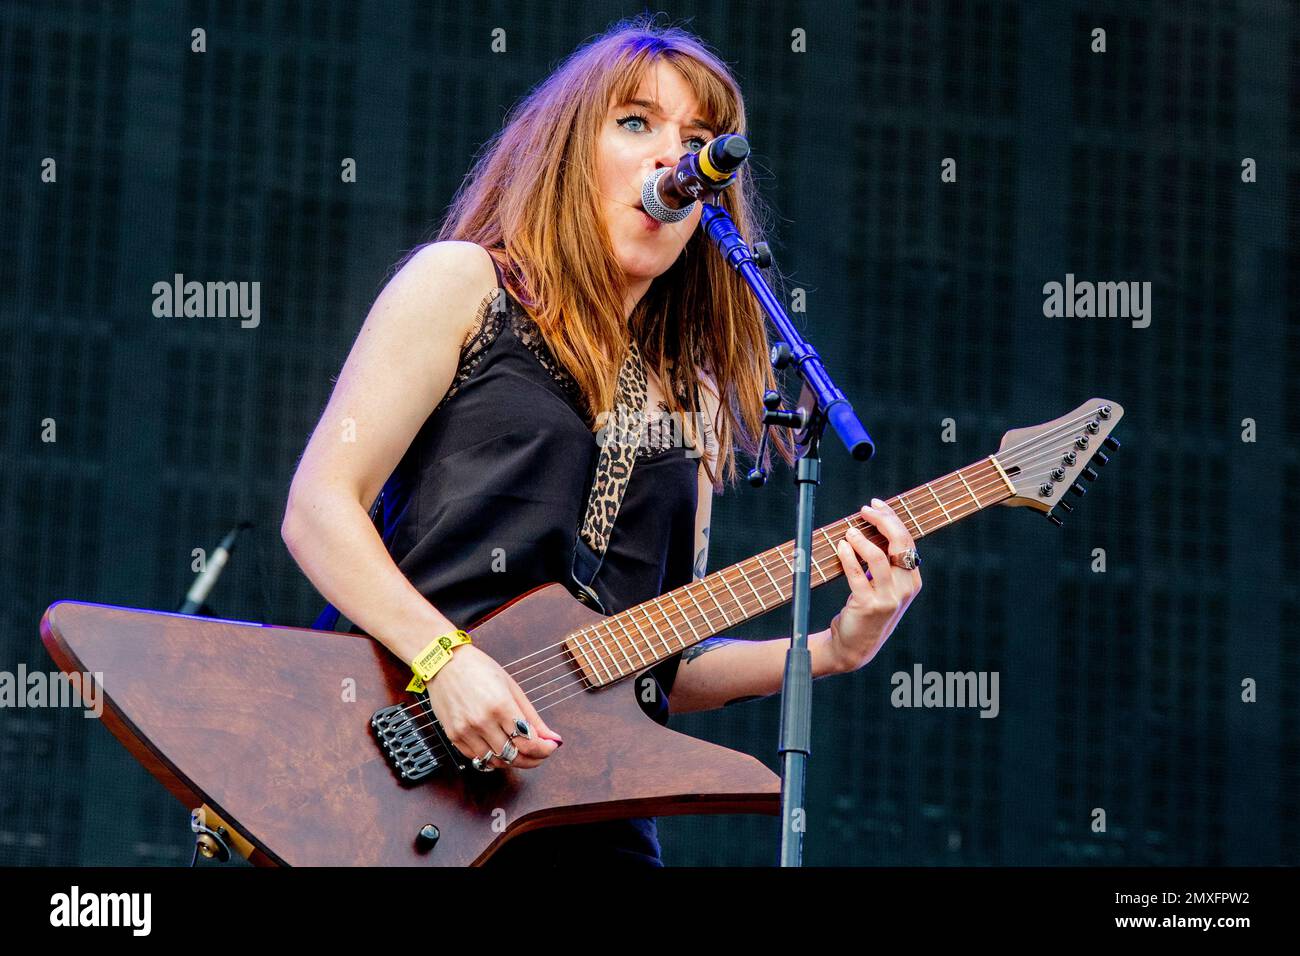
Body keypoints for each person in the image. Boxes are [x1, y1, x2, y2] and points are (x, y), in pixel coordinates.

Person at [280, 16, 922, 868]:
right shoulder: (463, 285)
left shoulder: (687, 394)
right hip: (383, 771)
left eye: (700, 140)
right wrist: (445, 658)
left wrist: (830, 650)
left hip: (589, 819)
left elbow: (657, 659)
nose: (676, 161)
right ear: (564, 151)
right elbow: (320, 507)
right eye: (636, 123)